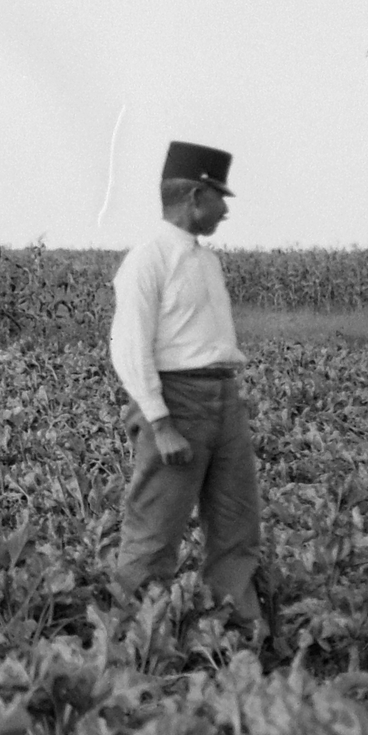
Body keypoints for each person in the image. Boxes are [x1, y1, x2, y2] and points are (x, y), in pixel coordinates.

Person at [108, 140, 263, 623]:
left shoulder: (205, 261)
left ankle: (234, 632)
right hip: (176, 403)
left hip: (222, 399)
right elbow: (129, 347)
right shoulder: (148, 259)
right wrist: (160, 421)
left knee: (238, 527)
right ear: (197, 196)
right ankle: (136, 639)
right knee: (154, 532)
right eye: (221, 198)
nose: (225, 211)